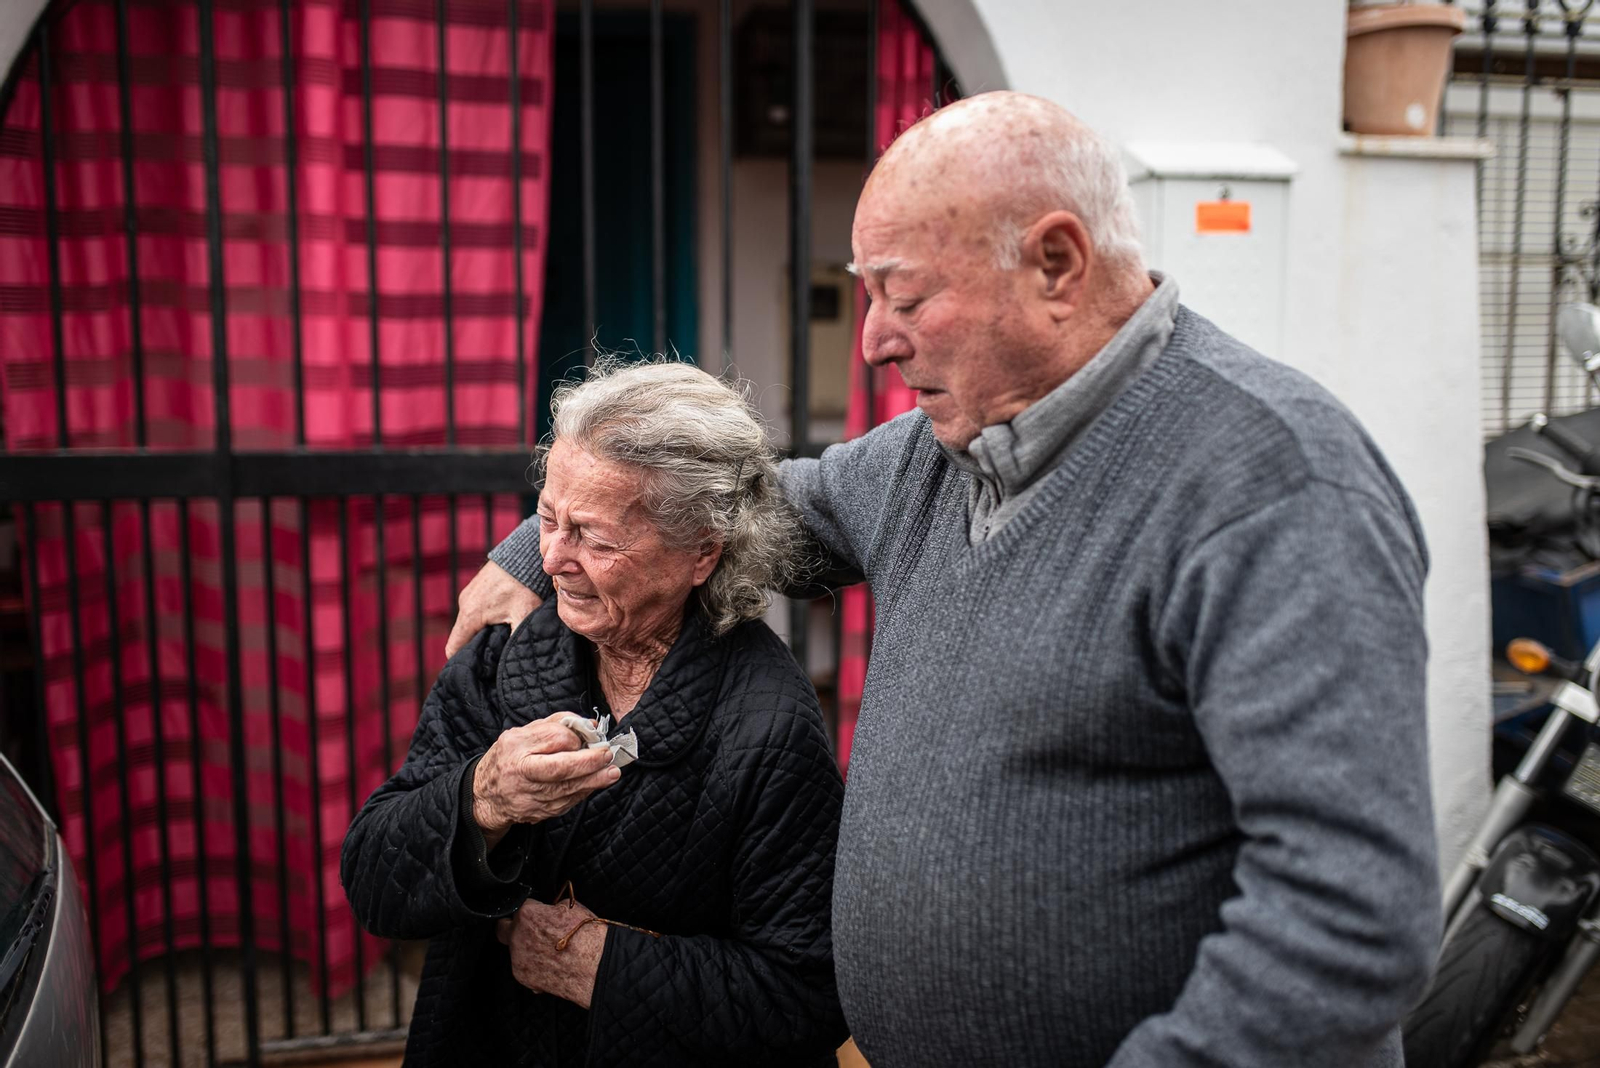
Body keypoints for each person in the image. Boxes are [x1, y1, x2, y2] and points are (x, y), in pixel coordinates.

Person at [451, 92, 1442, 1067]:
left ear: (1057, 264)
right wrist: (541, 547)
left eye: (906, 296)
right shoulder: (931, 455)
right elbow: (717, 515)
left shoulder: (1275, 485)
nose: (874, 339)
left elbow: (1345, 921)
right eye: (868, 293)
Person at [342, 361, 849, 1067]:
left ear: (702, 553)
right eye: (547, 519)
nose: (551, 560)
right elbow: (374, 881)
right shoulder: (506, 655)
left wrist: (597, 965)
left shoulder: (769, 725)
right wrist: (483, 799)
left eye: (596, 539)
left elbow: (803, 999)